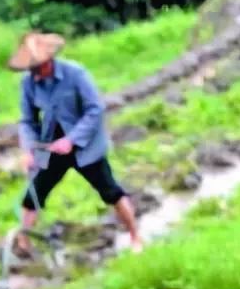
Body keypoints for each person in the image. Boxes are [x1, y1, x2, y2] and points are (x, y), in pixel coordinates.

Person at [9, 32, 144, 256]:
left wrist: (71, 140)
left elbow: (95, 110)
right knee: (32, 196)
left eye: (38, 69)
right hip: (51, 147)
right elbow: (27, 120)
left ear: (49, 61)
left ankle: (135, 237)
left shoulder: (76, 74)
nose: (35, 76)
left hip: (85, 147)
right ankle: (23, 245)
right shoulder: (29, 84)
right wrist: (29, 149)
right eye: (30, 70)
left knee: (111, 192)